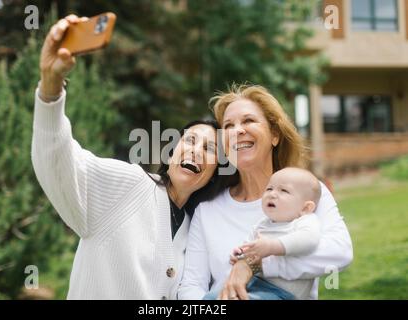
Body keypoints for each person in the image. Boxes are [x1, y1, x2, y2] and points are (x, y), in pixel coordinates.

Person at [32, 15, 225, 299]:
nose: (196, 150)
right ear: (172, 152)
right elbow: (59, 162)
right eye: (190, 140)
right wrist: (51, 87)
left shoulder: (193, 228)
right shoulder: (130, 185)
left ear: (215, 171)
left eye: (210, 149)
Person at [178, 84, 353, 300]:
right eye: (228, 125)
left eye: (249, 120)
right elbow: (192, 285)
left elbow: (339, 253)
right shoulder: (207, 211)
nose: (237, 130)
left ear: (274, 135)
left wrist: (258, 264)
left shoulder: (306, 193)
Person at [203, 167, 322, 300]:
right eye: (269, 189)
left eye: (284, 190)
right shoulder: (263, 224)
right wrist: (241, 254)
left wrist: (272, 246)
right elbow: (249, 247)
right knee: (212, 297)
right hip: (255, 283)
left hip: (283, 293)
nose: (272, 194)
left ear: (305, 208)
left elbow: (309, 239)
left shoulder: (304, 222)